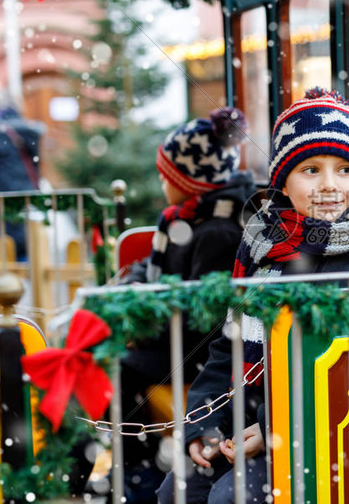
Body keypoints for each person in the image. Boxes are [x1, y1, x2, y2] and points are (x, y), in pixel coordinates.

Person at [156, 87, 349, 504]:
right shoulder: (264, 251)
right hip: (251, 425)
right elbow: (229, 348)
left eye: (345, 170)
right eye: (311, 170)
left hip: (326, 439)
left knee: (231, 497)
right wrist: (204, 424)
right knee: (178, 489)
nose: (330, 185)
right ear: (284, 181)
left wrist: (274, 426)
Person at [117, 108, 255, 502]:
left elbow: (203, 315)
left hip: (192, 348)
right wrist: (138, 283)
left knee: (119, 371)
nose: (162, 183)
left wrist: (143, 330)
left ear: (191, 181)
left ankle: (138, 475)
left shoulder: (216, 231)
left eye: (167, 176)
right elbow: (159, 269)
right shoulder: (190, 217)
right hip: (176, 337)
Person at [0, 91, 44, 261]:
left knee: (4, 248)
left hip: (2, 197)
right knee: (28, 244)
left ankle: (8, 281)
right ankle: (30, 279)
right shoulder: (29, 130)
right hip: (26, 195)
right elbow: (36, 163)